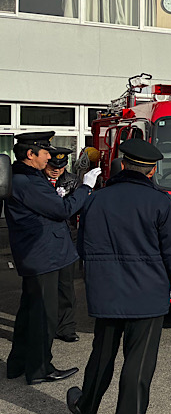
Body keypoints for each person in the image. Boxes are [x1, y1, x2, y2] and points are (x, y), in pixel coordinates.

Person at [67, 138, 171, 414]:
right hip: (146, 293)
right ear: (152, 170)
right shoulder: (161, 201)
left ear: (123, 165)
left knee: (101, 356)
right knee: (138, 361)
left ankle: (86, 408)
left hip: (106, 292)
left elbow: (83, 245)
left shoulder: (95, 200)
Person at [5, 132, 100, 385]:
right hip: (43, 255)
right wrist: (86, 187)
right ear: (30, 155)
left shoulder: (27, 178)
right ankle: (39, 369)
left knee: (29, 312)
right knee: (44, 316)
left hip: (39, 254)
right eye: (45, 152)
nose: (49, 157)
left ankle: (18, 363)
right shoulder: (28, 181)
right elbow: (63, 210)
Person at [43, 147, 81, 343]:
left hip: (68, 236)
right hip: (45, 238)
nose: (56, 170)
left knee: (66, 285)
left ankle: (66, 327)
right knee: (45, 286)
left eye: (61, 166)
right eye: (52, 166)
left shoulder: (72, 181)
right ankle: (45, 326)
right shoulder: (38, 181)